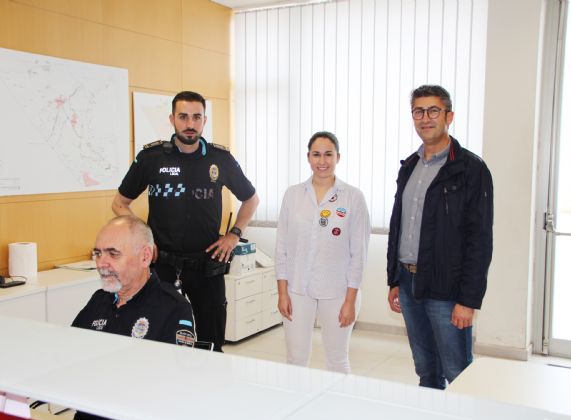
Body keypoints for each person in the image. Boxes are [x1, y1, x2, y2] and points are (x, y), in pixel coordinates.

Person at [112, 91, 258, 352]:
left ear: (204, 120)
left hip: (207, 266)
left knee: (211, 344)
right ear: (172, 119)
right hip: (161, 266)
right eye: (183, 117)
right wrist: (145, 239)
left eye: (196, 117)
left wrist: (234, 234)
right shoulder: (151, 158)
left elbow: (251, 200)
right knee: (157, 339)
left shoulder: (220, 159)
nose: (190, 124)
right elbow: (119, 203)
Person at [386, 85, 494, 389]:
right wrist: (394, 279)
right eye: (418, 111)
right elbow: (398, 226)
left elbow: (480, 241)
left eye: (433, 110)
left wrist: (468, 301)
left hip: (447, 289)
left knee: (458, 371)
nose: (425, 118)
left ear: (449, 116)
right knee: (426, 369)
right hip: (408, 284)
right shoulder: (409, 166)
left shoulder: (470, 169)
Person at [72, 215, 195, 420]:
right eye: (98, 253)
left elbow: (171, 384)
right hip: (90, 415)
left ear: (145, 256)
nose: (101, 263)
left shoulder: (173, 307)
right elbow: (69, 353)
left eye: (113, 254)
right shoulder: (100, 299)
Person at [275, 131, 371, 374]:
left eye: (328, 154)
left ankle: (338, 400)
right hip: (297, 289)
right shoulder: (293, 195)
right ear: (308, 157)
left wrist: (350, 301)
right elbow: (282, 248)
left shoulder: (353, 197)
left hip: (338, 291)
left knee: (337, 360)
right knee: (296, 359)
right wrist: (282, 293)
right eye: (316, 154)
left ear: (338, 157)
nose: (322, 161)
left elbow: (359, 255)